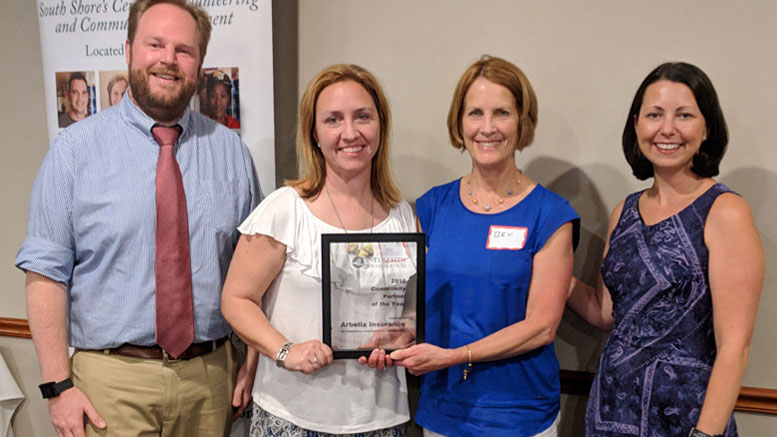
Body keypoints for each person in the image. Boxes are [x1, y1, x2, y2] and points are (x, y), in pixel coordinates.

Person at [16, 1, 261, 436]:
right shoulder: (74, 151)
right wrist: (57, 387)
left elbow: (258, 275)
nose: (169, 59)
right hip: (110, 385)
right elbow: (45, 274)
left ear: (200, 64)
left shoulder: (232, 155)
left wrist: (254, 360)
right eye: (155, 44)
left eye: (184, 50)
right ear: (129, 49)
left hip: (211, 380)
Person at [567, 62, 764, 436]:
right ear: (637, 124)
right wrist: (547, 271)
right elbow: (607, 313)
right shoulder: (623, 211)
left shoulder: (724, 211)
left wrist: (705, 434)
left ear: (707, 128)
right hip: (609, 412)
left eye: (684, 115)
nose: (667, 129)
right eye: (654, 115)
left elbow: (734, 347)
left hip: (687, 422)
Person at [389, 56, 579, 436]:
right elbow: (412, 303)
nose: (487, 128)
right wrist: (393, 334)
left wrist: (457, 356)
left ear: (523, 121)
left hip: (519, 416)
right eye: (475, 113)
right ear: (459, 123)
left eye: (502, 113)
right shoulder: (431, 207)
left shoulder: (550, 214)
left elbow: (541, 327)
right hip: (445, 410)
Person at [221, 64, 413, 436]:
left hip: (380, 418)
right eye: (333, 120)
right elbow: (236, 298)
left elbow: (410, 305)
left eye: (363, 117)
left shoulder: (403, 214)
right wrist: (283, 350)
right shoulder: (284, 209)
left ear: (381, 125)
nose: (350, 133)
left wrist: (405, 328)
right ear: (314, 132)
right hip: (291, 417)